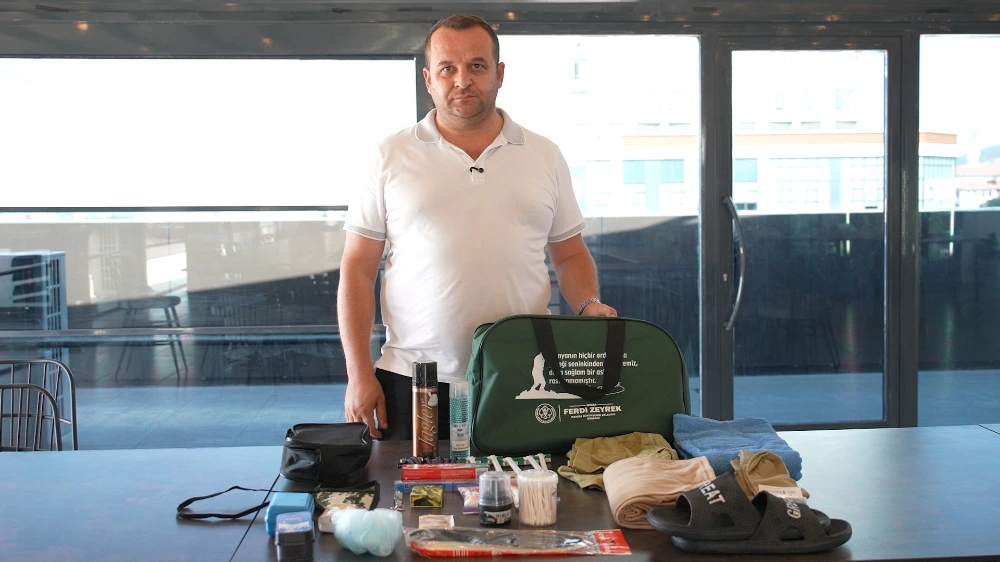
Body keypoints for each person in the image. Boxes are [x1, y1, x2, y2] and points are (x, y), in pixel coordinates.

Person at [339, 14, 617, 440]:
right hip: (412, 380)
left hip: (521, 375)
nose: (462, 80)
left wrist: (587, 303)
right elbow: (358, 269)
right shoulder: (389, 155)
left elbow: (570, 253)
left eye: (477, 65)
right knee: (409, 484)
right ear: (429, 79)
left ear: (499, 74)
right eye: (447, 68)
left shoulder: (544, 155)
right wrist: (358, 373)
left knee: (529, 484)